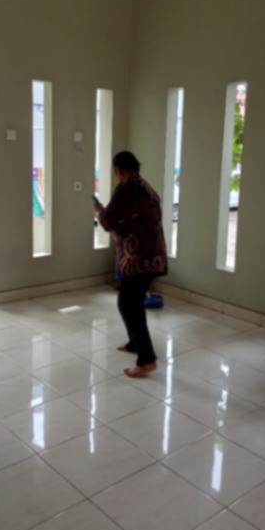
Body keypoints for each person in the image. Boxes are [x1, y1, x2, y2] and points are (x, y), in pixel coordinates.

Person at [94, 151, 168, 378]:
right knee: (130, 302)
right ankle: (135, 344)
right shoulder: (145, 186)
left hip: (138, 258)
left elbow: (108, 222)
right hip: (150, 255)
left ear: (118, 170)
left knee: (128, 303)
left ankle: (147, 360)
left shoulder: (126, 187)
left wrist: (99, 211)